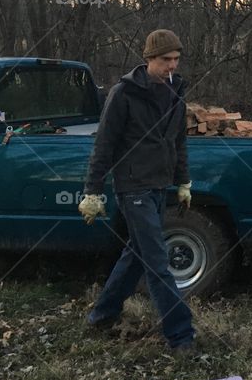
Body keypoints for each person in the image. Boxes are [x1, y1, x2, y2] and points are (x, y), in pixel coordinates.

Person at [78, 29, 196, 353]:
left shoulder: (176, 92)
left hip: (160, 185)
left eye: (175, 59)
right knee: (157, 261)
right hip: (133, 188)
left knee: (136, 255)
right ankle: (181, 335)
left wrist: (183, 182)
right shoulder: (124, 93)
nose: (171, 66)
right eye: (164, 60)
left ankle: (101, 315)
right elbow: (104, 145)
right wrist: (93, 191)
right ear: (148, 60)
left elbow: (178, 143)